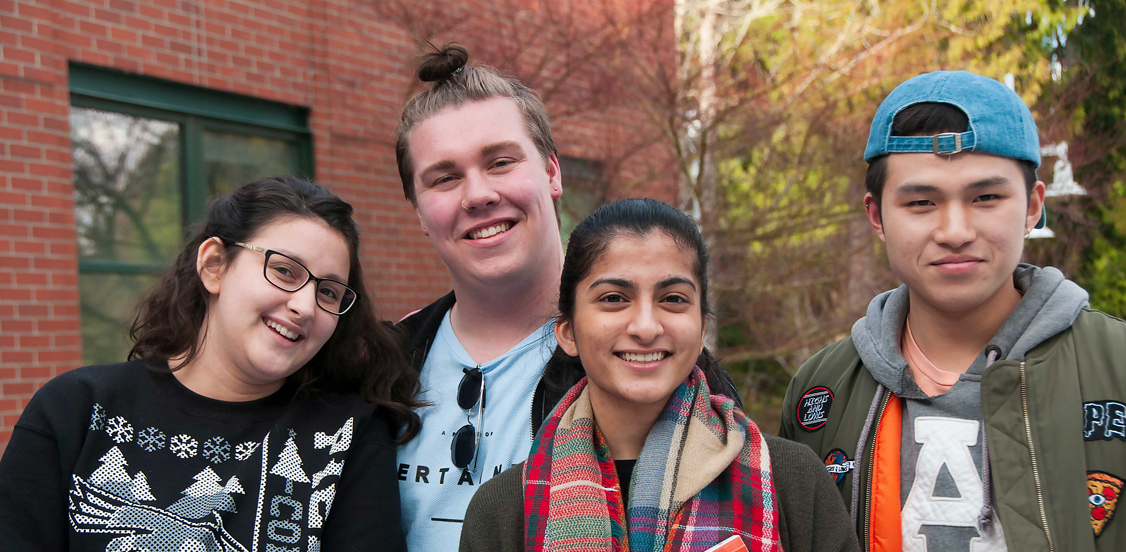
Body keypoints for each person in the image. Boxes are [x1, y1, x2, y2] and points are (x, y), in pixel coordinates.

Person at [393, 44, 744, 550]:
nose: (477, 195)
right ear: (420, 214)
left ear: (553, 173)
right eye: (445, 178)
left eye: (500, 162)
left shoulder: (654, 360)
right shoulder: (382, 364)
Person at [780, 70, 1126, 552]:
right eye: (921, 202)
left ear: (1032, 207)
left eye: (986, 197)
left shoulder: (1115, 366)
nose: (955, 230)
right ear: (877, 215)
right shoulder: (821, 391)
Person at [0, 176, 420, 551]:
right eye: (285, 271)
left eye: (328, 293)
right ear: (214, 266)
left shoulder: (346, 436)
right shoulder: (76, 410)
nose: (305, 306)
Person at [460, 198, 859, 552]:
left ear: (702, 329)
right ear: (568, 331)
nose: (646, 327)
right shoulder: (505, 510)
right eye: (614, 299)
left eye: (673, 299)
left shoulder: (792, 481)